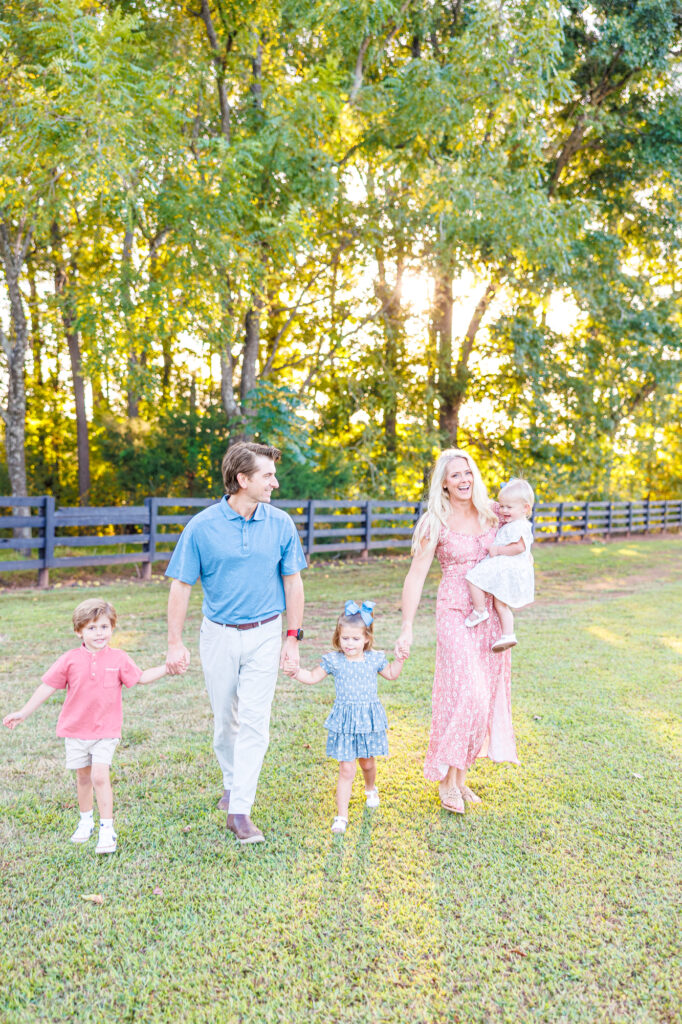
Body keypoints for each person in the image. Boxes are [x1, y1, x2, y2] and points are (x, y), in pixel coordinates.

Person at [165, 441, 306, 845]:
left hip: (265, 632)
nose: (274, 483)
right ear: (242, 479)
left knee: (255, 723)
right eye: (267, 476)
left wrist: (291, 638)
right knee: (225, 722)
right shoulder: (201, 527)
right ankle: (231, 781)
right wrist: (174, 642)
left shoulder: (280, 524)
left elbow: (293, 582)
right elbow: (181, 586)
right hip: (219, 635)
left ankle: (240, 809)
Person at [396, 449, 519, 814]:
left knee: (482, 697)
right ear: (444, 483)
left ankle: (460, 778)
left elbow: (523, 531)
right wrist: (406, 627)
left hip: (490, 615)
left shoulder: (493, 513)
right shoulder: (435, 522)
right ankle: (445, 782)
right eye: (455, 475)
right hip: (454, 611)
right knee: (467, 691)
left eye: (468, 472)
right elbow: (415, 576)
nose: (464, 479)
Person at [2, 598, 169, 854]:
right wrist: (24, 712)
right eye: (92, 628)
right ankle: (85, 821)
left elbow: (142, 677)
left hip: (106, 731)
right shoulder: (69, 660)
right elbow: (48, 686)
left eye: (104, 626)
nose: (99, 633)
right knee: (83, 777)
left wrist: (167, 668)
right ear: (79, 631)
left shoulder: (119, 658)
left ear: (112, 628)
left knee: (99, 776)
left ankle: (107, 828)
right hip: (76, 730)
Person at [289, 600, 404, 834]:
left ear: (366, 639)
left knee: (368, 763)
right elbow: (312, 676)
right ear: (338, 637)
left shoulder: (373, 659)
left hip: (368, 720)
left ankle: (370, 788)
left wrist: (400, 658)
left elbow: (391, 674)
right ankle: (341, 816)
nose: (349, 644)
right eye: (345, 639)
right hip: (345, 722)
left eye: (355, 639)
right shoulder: (335, 661)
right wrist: (295, 672)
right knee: (346, 769)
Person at [465, 478, 535, 651]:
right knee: (500, 604)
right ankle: (508, 635)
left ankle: (480, 610)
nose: (503, 510)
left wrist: (497, 550)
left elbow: (519, 547)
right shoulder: (516, 524)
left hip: (507, 565)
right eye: (502, 506)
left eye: (508, 507)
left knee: (473, 577)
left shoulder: (518, 526)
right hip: (508, 567)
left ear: (525, 508)